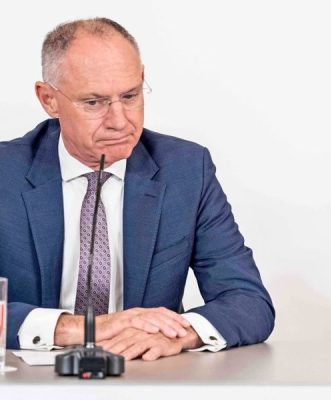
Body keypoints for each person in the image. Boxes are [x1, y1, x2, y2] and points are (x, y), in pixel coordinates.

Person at [0, 18, 274, 360]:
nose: (120, 121)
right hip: (23, 380)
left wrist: (179, 334)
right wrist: (83, 328)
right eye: (94, 102)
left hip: (145, 373)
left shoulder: (186, 170)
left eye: (130, 96)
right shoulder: (6, 173)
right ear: (49, 99)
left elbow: (249, 301)